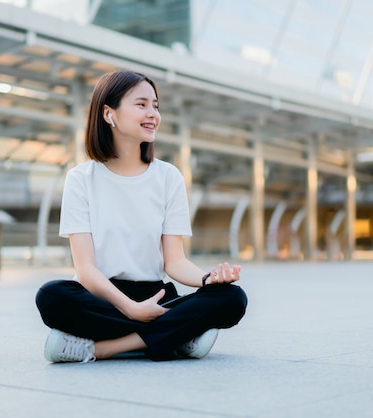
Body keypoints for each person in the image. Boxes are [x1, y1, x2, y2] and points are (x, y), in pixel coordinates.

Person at [35, 70, 248, 362]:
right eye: (142, 104)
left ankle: (102, 348)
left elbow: (175, 261)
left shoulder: (168, 177)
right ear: (109, 114)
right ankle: (177, 336)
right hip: (102, 296)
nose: (153, 114)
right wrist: (132, 309)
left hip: (156, 295)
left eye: (156, 106)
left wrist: (208, 279)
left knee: (232, 299)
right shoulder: (81, 178)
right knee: (51, 296)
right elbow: (86, 270)